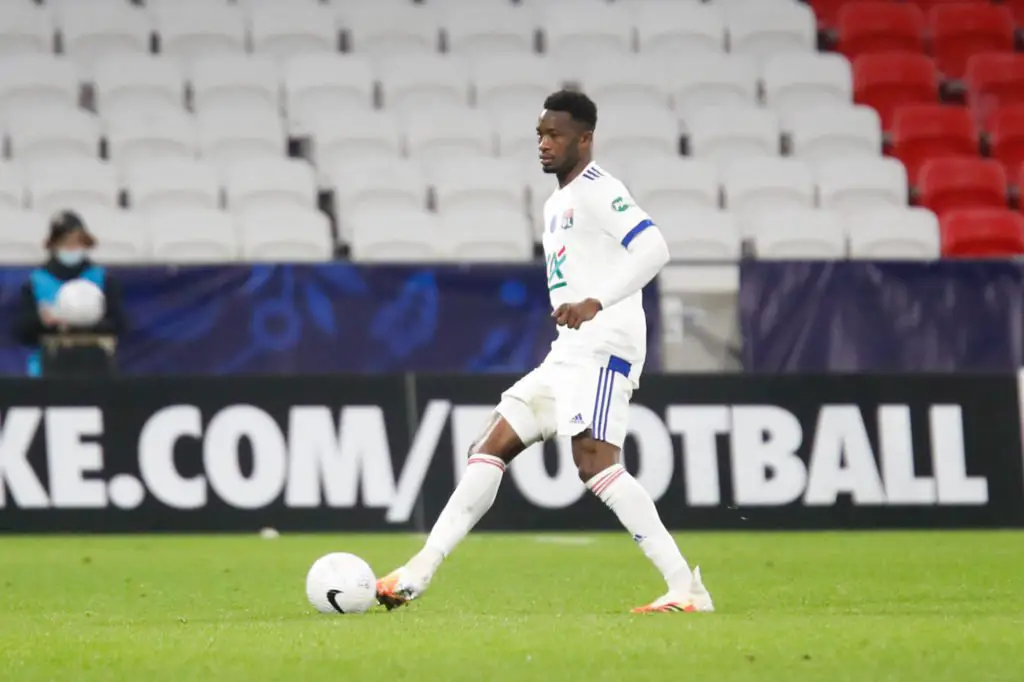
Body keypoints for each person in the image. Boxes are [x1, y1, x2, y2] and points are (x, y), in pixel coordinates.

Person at [376, 90, 714, 614]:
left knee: (595, 464)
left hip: (604, 346)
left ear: (585, 139)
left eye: (555, 135)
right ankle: (419, 569)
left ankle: (685, 589)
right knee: (489, 446)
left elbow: (655, 248)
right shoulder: (556, 202)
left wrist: (595, 301)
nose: (544, 144)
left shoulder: (599, 189)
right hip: (568, 352)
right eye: (539, 134)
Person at [12, 210, 127, 377]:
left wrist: (90, 321)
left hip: (96, 367)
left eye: (76, 242)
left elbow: (119, 324)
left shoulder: (102, 279)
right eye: (65, 243)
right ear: (53, 245)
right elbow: (23, 333)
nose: (71, 248)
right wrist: (43, 322)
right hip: (48, 369)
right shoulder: (36, 282)